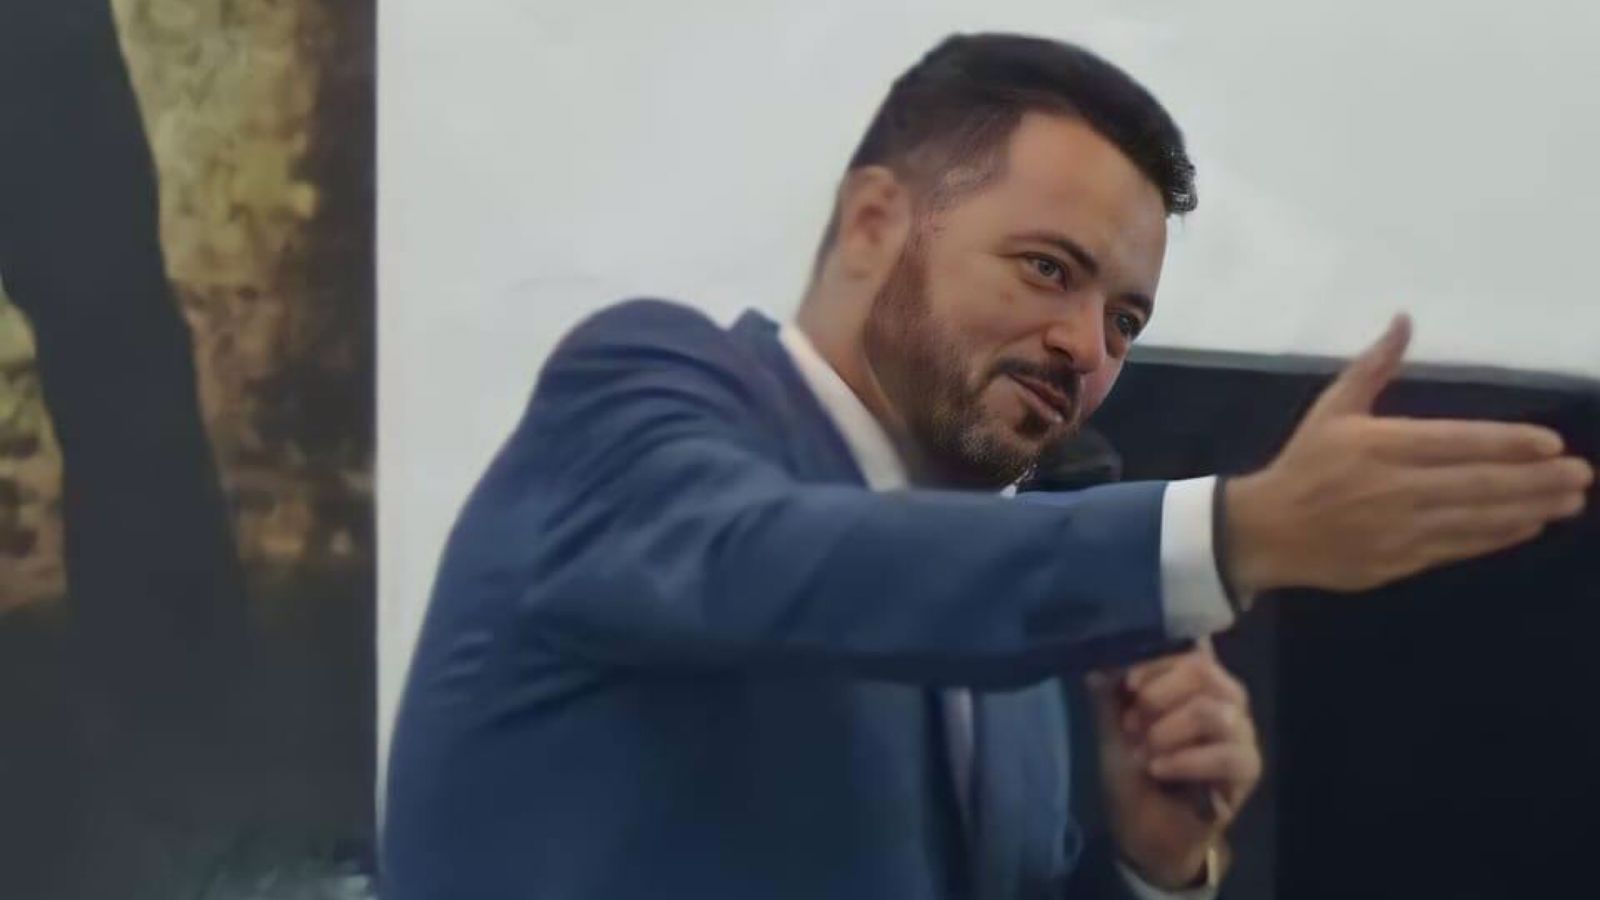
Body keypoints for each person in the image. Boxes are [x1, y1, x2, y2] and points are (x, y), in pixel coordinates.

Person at [382, 33, 1592, 899]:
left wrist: (1150, 860)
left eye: (1124, 321)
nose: (1085, 349)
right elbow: (786, 562)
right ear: (873, 225)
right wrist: (1234, 532)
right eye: (1046, 270)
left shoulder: (1019, 660)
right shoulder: (633, 397)